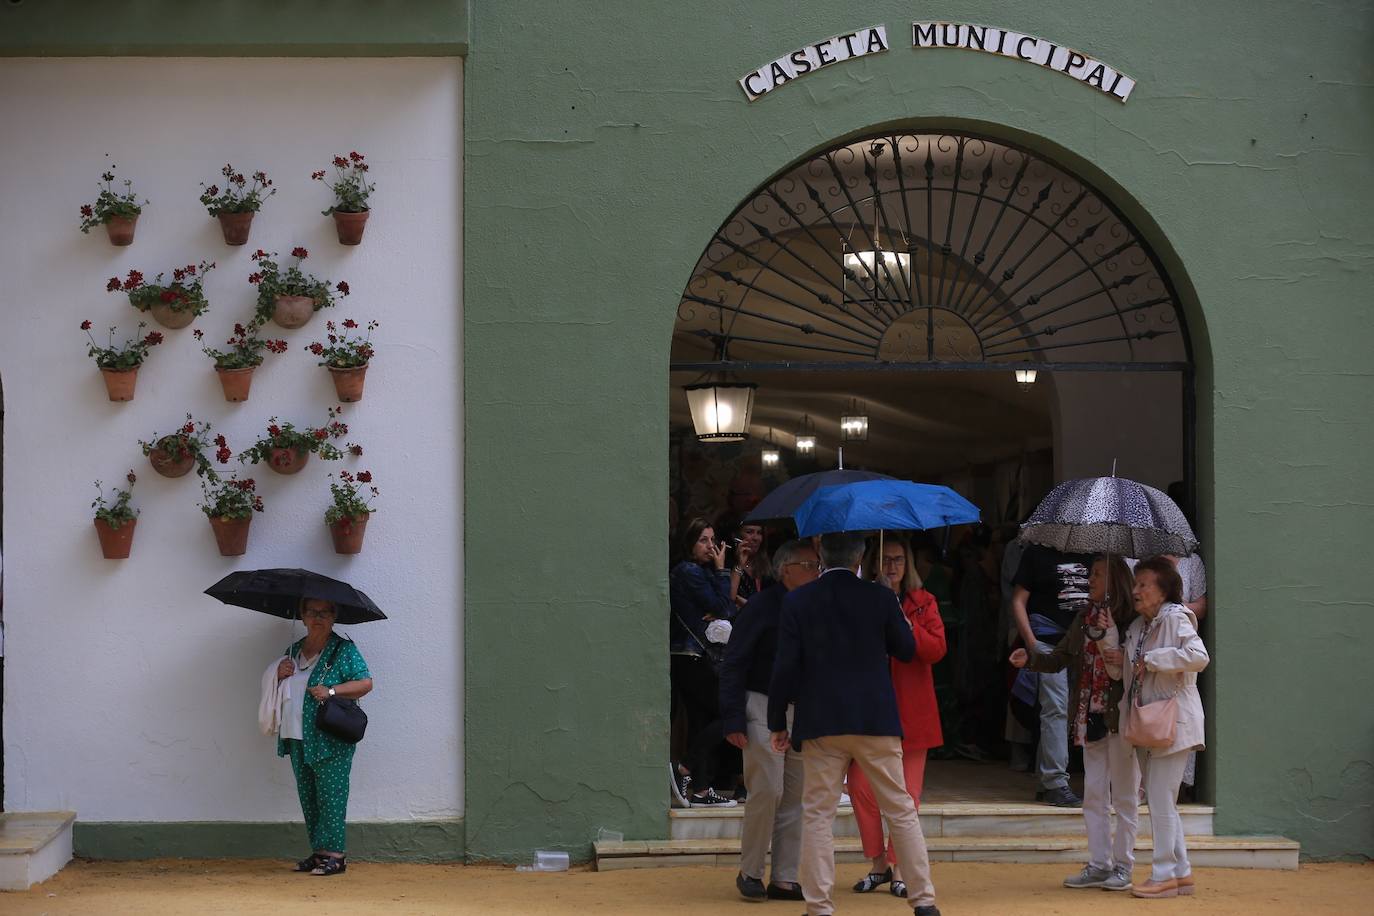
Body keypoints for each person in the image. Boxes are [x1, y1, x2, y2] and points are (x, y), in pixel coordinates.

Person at [769, 531, 941, 916]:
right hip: (874, 717)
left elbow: (785, 667)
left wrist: (777, 720)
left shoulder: (798, 600)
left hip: (821, 719)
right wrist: (888, 607)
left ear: (821, 556)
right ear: (860, 557)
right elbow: (906, 649)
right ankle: (923, 899)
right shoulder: (880, 597)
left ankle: (819, 906)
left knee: (818, 814)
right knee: (900, 808)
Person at [1011, 555, 1140, 892]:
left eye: (1097, 574)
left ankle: (1123, 865)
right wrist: (1031, 657)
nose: (1089, 580)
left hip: (1122, 715)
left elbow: (1142, 660)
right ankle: (1099, 864)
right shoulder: (1085, 617)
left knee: (1125, 795)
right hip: (1092, 713)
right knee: (1094, 795)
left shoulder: (1132, 618)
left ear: (1114, 580)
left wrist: (1123, 654)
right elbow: (1061, 657)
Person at [718, 539, 821, 902]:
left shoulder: (815, 608)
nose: (816, 572)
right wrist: (733, 718)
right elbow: (734, 662)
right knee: (768, 789)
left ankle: (785, 878)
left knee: (796, 795)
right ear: (785, 570)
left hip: (801, 710)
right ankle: (750, 871)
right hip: (761, 705)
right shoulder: (762, 606)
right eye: (809, 566)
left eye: (818, 565)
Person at [848, 535, 946, 900]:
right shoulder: (862, 599)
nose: (892, 566)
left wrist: (907, 624)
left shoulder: (924, 602)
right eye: (886, 559)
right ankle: (878, 863)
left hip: (913, 708)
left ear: (908, 564)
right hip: (872, 709)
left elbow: (937, 649)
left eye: (899, 560)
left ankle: (900, 866)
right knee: (859, 787)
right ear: (873, 564)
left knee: (907, 795)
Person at [1122, 556, 1209, 899]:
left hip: (1176, 721)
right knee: (1163, 802)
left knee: (1159, 799)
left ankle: (1163, 875)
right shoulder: (1137, 627)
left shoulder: (1175, 617)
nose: (1136, 590)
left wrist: (1155, 660)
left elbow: (1199, 656)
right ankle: (1182, 874)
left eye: (1144, 584)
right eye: (1136, 583)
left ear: (1163, 591)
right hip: (1149, 723)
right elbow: (1129, 676)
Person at [274, 598, 373, 876]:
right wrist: (278, 675)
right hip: (297, 736)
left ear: (334, 617)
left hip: (330, 739)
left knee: (332, 797)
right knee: (309, 796)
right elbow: (282, 691)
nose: (318, 617)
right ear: (302, 616)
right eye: (312, 612)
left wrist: (331, 691)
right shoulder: (292, 651)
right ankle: (320, 853)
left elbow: (365, 683)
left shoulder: (343, 650)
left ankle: (336, 855)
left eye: (325, 612)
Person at [1010, 543, 1093, 806]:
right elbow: (1018, 600)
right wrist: (1031, 643)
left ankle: (1045, 781)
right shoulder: (1037, 552)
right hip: (1047, 641)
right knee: (1055, 707)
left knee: (1069, 710)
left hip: (1083, 642)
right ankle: (1056, 783)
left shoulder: (1093, 553)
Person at [668, 517, 738, 807]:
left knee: (701, 722)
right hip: (692, 657)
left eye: (712, 540)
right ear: (689, 543)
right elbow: (723, 607)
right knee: (730, 713)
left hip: (691, 657)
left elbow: (724, 608)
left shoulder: (699, 572)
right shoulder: (689, 571)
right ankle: (684, 766)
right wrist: (722, 572)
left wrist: (720, 604)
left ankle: (700, 790)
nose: (711, 546)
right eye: (703, 540)